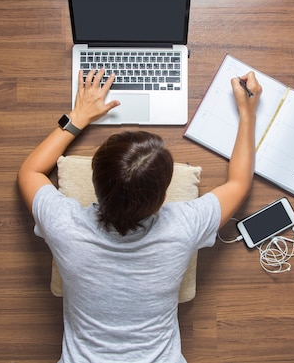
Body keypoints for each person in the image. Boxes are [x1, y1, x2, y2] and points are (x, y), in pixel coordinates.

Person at [17, 68, 262, 363]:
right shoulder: (183, 225)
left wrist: (78, 117)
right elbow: (239, 184)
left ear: (93, 179)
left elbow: (30, 172)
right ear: (163, 199)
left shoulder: (63, 225)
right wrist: (248, 113)